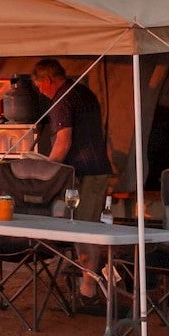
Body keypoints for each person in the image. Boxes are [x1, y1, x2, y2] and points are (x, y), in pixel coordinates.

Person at [31, 58, 113, 303]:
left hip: (86, 173)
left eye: (38, 86)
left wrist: (44, 168)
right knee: (83, 227)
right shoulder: (82, 91)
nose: (40, 91)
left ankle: (89, 289)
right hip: (94, 169)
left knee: (83, 229)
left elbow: (63, 142)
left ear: (47, 80)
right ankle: (90, 283)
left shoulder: (62, 98)